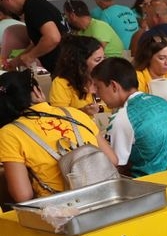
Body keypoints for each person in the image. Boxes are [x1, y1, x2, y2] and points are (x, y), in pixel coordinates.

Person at [0, 70, 118, 202]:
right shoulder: (75, 113)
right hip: (106, 196)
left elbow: (22, 195)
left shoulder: (10, 133)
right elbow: (112, 159)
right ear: (38, 91)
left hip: (61, 209)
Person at [92, 57, 167, 177]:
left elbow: (114, 166)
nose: (96, 93)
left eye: (98, 87)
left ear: (114, 86)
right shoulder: (162, 102)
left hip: (158, 190)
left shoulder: (123, 117)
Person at [0, 0, 66, 71]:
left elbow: (53, 38)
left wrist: (31, 56)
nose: (8, 11)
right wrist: (17, 60)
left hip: (64, 67)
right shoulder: (34, 4)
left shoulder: (33, 7)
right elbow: (40, 41)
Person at [48, 35, 104, 113]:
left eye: (103, 58)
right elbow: (59, 115)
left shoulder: (106, 78)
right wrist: (83, 111)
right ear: (81, 62)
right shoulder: (61, 83)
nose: (104, 63)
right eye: (98, 60)